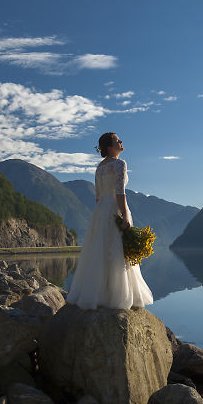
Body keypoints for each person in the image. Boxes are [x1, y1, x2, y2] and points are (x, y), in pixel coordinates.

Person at [66, 132, 154, 310]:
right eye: (117, 140)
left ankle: (96, 294)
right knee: (117, 252)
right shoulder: (119, 164)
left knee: (98, 251)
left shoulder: (99, 168)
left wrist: (102, 212)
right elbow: (120, 192)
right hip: (114, 208)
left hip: (100, 211)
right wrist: (125, 215)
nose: (121, 142)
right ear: (109, 147)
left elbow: (98, 197)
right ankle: (117, 297)